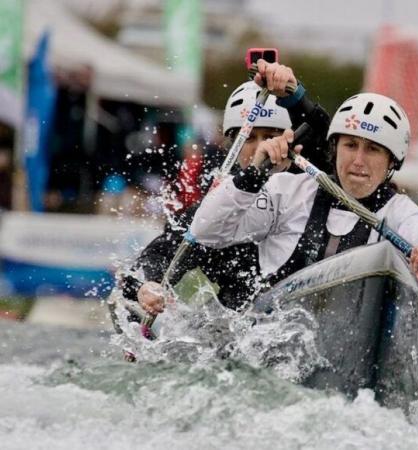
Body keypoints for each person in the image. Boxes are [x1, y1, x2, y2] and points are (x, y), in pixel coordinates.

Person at [118, 61, 333, 315]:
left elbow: (323, 136)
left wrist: (295, 96)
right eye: (250, 138)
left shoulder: (309, 176)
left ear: (290, 138)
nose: (260, 147)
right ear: (233, 144)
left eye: (270, 136)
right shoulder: (219, 205)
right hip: (248, 323)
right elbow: (167, 248)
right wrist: (146, 285)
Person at [189, 92, 418, 289]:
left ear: (392, 162)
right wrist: (251, 177)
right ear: (334, 149)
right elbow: (205, 232)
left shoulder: (401, 212)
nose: (358, 161)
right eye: (350, 145)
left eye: (373, 149)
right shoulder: (286, 191)